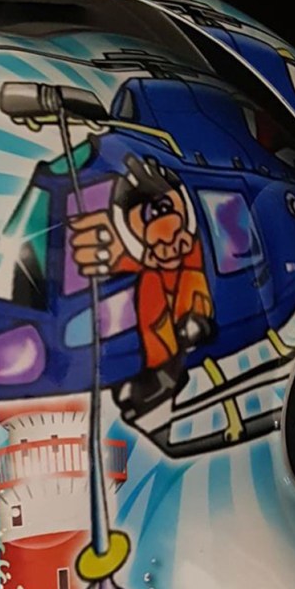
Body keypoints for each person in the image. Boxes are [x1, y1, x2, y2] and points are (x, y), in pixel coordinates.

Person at [69, 154, 214, 417]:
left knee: (184, 282)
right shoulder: (142, 258)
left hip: (195, 313)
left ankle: (190, 331)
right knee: (150, 289)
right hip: (166, 334)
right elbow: (119, 256)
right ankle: (161, 369)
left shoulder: (193, 246)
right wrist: (103, 252)